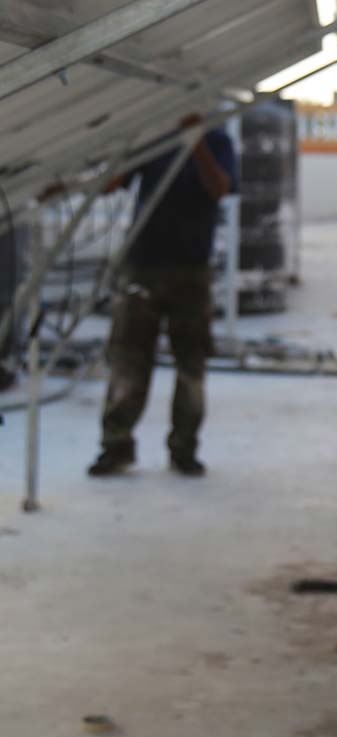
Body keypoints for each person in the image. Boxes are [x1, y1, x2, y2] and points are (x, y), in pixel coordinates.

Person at [87, 117, 238, 478]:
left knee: (191, 364)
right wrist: (124, 146)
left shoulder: (217, 141)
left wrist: (196, 144)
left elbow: (220, 189)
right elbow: (111, 185)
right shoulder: (154, 138)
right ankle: (116, 446)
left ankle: (184, 449)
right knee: (128, 361)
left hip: (191, 269)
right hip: (142, 265)